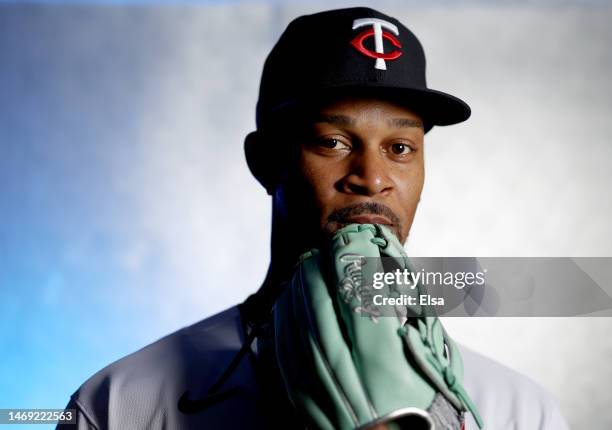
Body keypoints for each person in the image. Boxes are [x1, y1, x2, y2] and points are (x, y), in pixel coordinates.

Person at [58, 7, 570, 430]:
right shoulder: (120, 405)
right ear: (264, 162)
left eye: (399, 147)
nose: (372, 177)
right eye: (334, 142)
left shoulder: (519, 412)